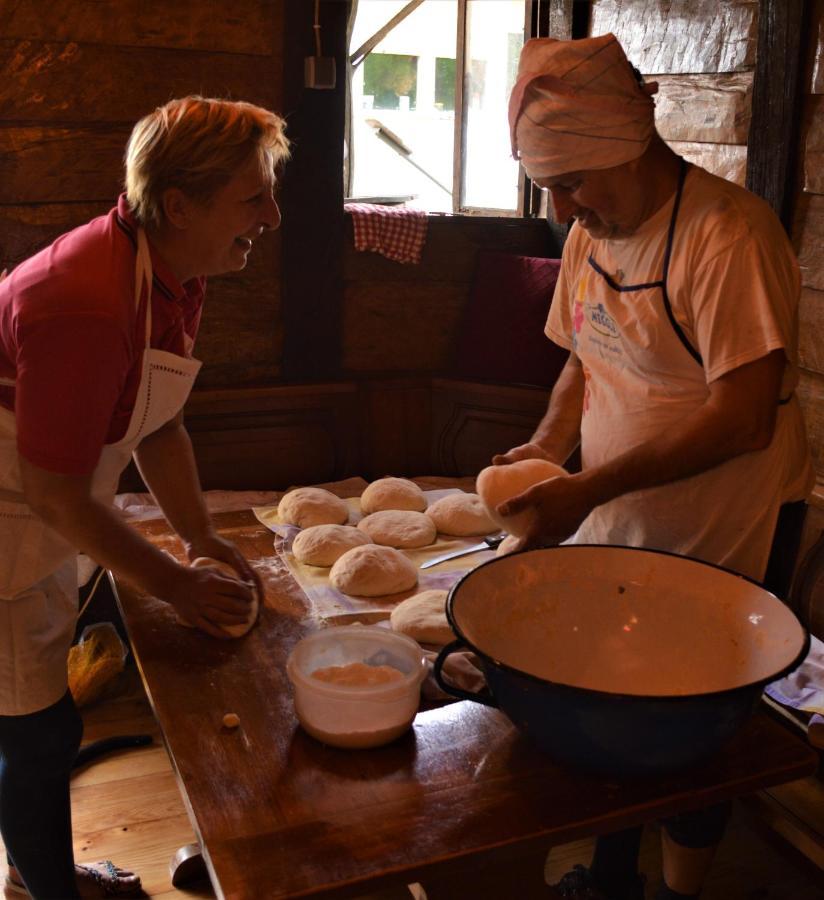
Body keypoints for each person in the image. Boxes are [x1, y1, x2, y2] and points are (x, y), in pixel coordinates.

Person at [497, 34, 814, 900]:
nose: (563, 211)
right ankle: (611, 878)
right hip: (620, 512)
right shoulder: (591, 236)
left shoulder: (729, 238)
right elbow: (582, 358)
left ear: (627, 149)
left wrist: (588, 488)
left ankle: (679, 893)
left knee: (692, 724)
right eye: (550, 189)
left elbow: (744, 421)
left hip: (724, 523)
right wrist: (543, 452)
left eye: (572, 185)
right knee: (615, 700)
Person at [0, 96, 289, 899]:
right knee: (34, 730)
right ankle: (42, 889)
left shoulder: (169, 272)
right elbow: (55, 494)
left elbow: (158, 422)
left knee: (42, 718)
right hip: (12, 513)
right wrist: (172, 584)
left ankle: (35, 872)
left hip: (45, 505)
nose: (272, 215)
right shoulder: (86, 300)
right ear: (178, 205)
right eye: (254, 197)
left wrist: (199, 537)